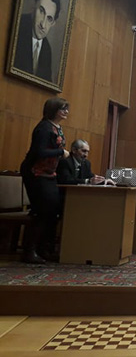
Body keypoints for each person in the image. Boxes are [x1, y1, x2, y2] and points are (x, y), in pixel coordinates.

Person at [20, 97, 70, 264]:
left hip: (49, 174)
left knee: (53, 210)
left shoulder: (57, 127)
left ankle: (44, 249)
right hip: (36, 173)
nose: (66, 112)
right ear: (53, 110)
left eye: (67, 109)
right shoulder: (44, 128)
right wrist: (60, 153)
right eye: (63, 109)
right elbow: (39, 152)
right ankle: (29, 251)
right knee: (41, 210)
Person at [13, 0, 61, 83]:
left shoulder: (47, 49)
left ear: (53, 23)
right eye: (41, 11)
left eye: (49, 19)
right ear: (34, 5)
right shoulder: (16, 27)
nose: (43, 24)